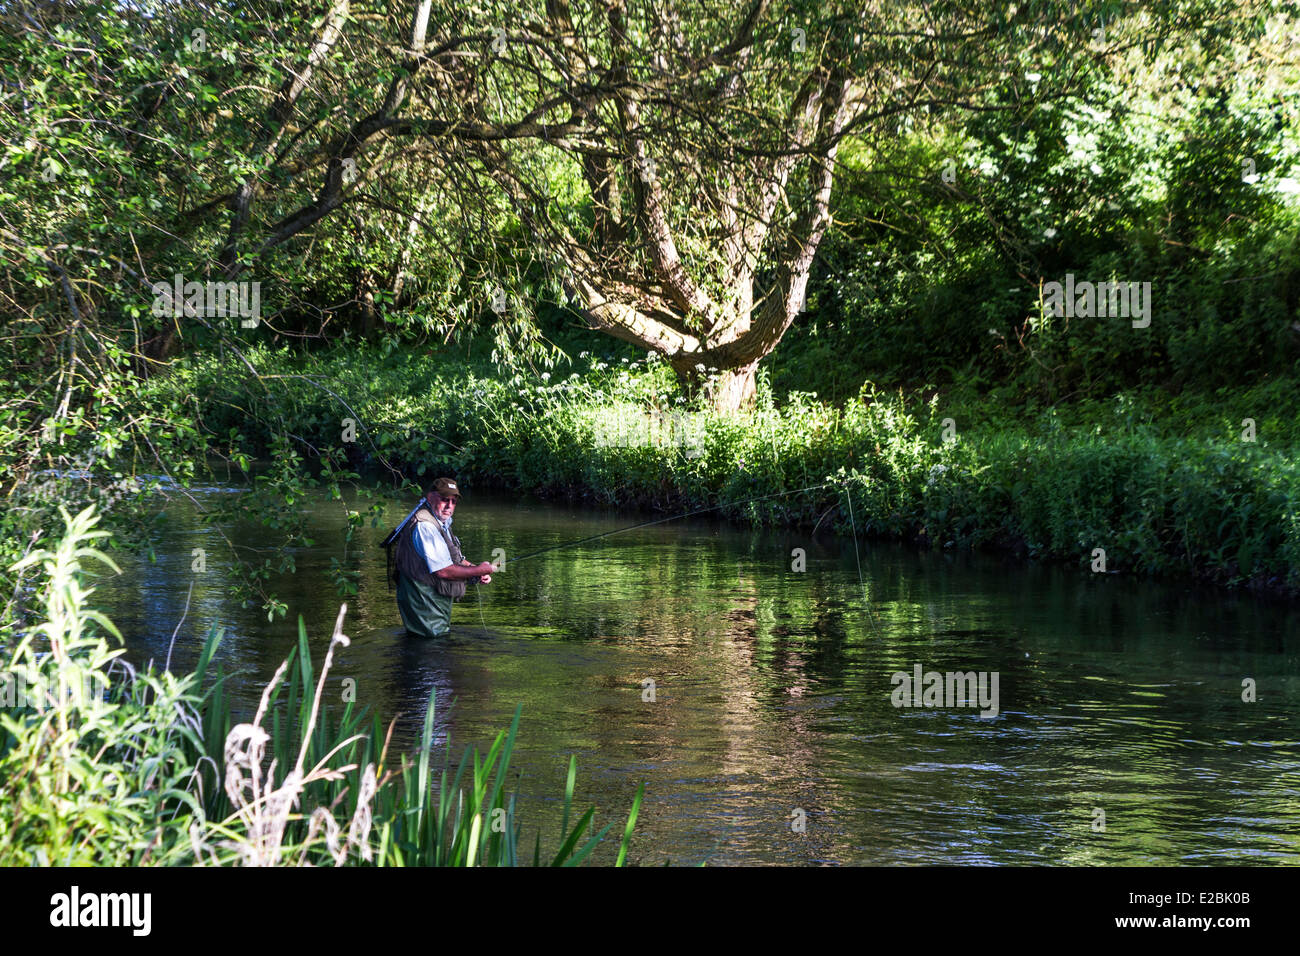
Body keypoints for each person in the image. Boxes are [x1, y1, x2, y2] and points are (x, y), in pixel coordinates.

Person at [391, 477, 494, 637]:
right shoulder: (425, 526)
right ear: (431, 497)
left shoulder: (441, 522)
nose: (449, 506)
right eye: (445, 500)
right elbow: (443, 571)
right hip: (424, 604)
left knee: (435, 644)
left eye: (453, 501)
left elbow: (452, 559)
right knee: (431, 645)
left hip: (431, 603)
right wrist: (477, 570)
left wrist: (476, 570)